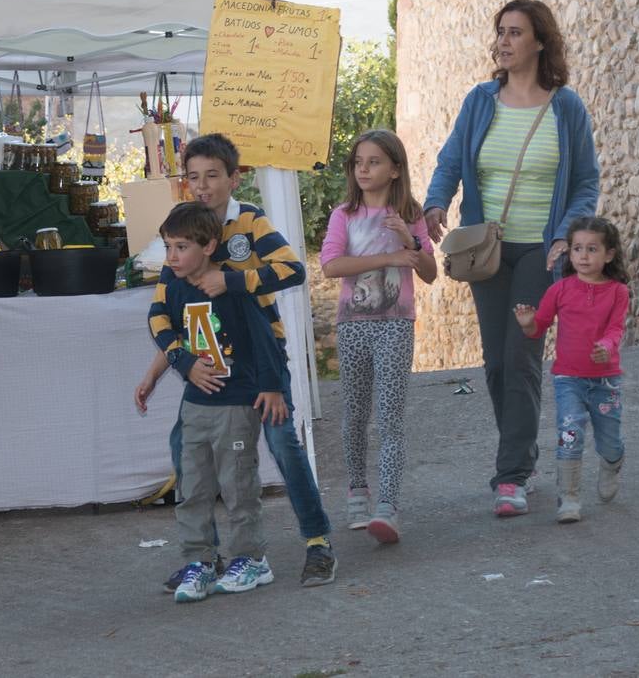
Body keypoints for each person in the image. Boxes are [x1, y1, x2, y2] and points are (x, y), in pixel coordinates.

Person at [423, 0, 600, 518]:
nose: (503, 41)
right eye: (500, 31)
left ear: (540, 42)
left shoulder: (566, 108)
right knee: (497, 363)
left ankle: (511, 475)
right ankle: (521, 452)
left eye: (515, 32)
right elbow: (452, 158)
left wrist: (567, 234)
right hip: (486, 247)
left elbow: (586, 182)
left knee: (521, 358)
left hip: (541, 252)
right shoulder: (480, 101)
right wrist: (437, 203)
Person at [143, 133, 337, 590]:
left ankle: (317, 542)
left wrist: (232, 281)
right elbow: (163, 311)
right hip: (207, 369)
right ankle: (205, 560)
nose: (203, 186)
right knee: (184, 451)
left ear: (234, 178)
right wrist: (169, 365)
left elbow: (293, 270)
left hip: (260, 360)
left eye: (213, 176)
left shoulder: (248, 221)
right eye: (194, 177)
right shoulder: (181, 229)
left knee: (283, 443)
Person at [136, 202, 288, 603]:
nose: (171, 257)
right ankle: (200, 561)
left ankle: (251, 559)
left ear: (209, 246)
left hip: (237, 401)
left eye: (181, 247)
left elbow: (264, 339)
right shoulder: (174, 286)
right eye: (167, 246)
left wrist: (272, 387)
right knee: (193, 486)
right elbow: (161, 325)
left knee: (237, 484)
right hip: (195, 405)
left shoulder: (232, 285)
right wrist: (169, 370)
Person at [319, 129, 436, 545]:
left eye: (373, 162)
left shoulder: (410, 212)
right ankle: (357, 491)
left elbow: (428, 271)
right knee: (354, 415)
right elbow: (331, 266)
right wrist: (390, 255)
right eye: (358, 162)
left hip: (396, 325)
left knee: (390, 416)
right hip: (352, 325)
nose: (363, 169)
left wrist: (410, 238)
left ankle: (387, 505)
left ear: (395, 169)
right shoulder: (344, 215)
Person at [513, 216, 629, 523]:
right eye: (577, 248)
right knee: (569, 433)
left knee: (610, 439)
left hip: (606, 380)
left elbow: (617, 329)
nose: (583, 255)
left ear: (609, 254)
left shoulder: (618, 292)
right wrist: (528, 324)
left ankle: (613, 462)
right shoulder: (560, 290)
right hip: (569, 378)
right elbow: (538, 329)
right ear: (570, 253)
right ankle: (569, 499)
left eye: (592, 249)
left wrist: (607, 344)